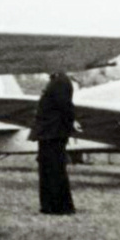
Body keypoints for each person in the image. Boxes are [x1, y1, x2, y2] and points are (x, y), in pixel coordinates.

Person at [30, 72, 77, 215]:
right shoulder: (59, 81)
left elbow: (65, 107)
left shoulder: (60, 82)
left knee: (53, 169)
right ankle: (53, 206)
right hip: (51, 132)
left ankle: (56, 206)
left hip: (52, 132)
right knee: (52, 169)